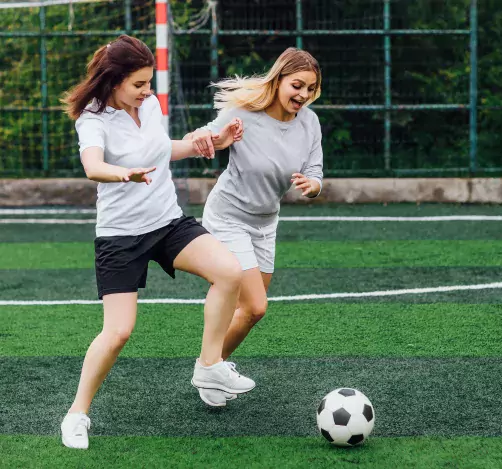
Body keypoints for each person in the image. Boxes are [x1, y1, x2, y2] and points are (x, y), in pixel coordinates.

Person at [59, 35, 254, 450]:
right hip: (120, 236)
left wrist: (211, 143)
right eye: (139, 84)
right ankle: (77, 413)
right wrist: (121, 174)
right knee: (118, 332)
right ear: (113, 81)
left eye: (149, 83)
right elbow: (93, 165)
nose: (147, 91)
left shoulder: (148, 106)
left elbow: (164, 150)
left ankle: (209, 366)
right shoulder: (92, 119)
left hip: (167, 222)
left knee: (229, 272)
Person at [184, 47, 323, 406]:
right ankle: (208, 368)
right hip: (228, 216)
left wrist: (314, 186)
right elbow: (206, 138)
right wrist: (209, 139)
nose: (303, 95)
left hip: (266, 222)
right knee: (256, 306)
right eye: (296, 85)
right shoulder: (243, 112)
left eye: (310, 88)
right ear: (278, 80)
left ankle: (211, 373)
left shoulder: (309, 122)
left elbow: (315, 172)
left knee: (246, 313)